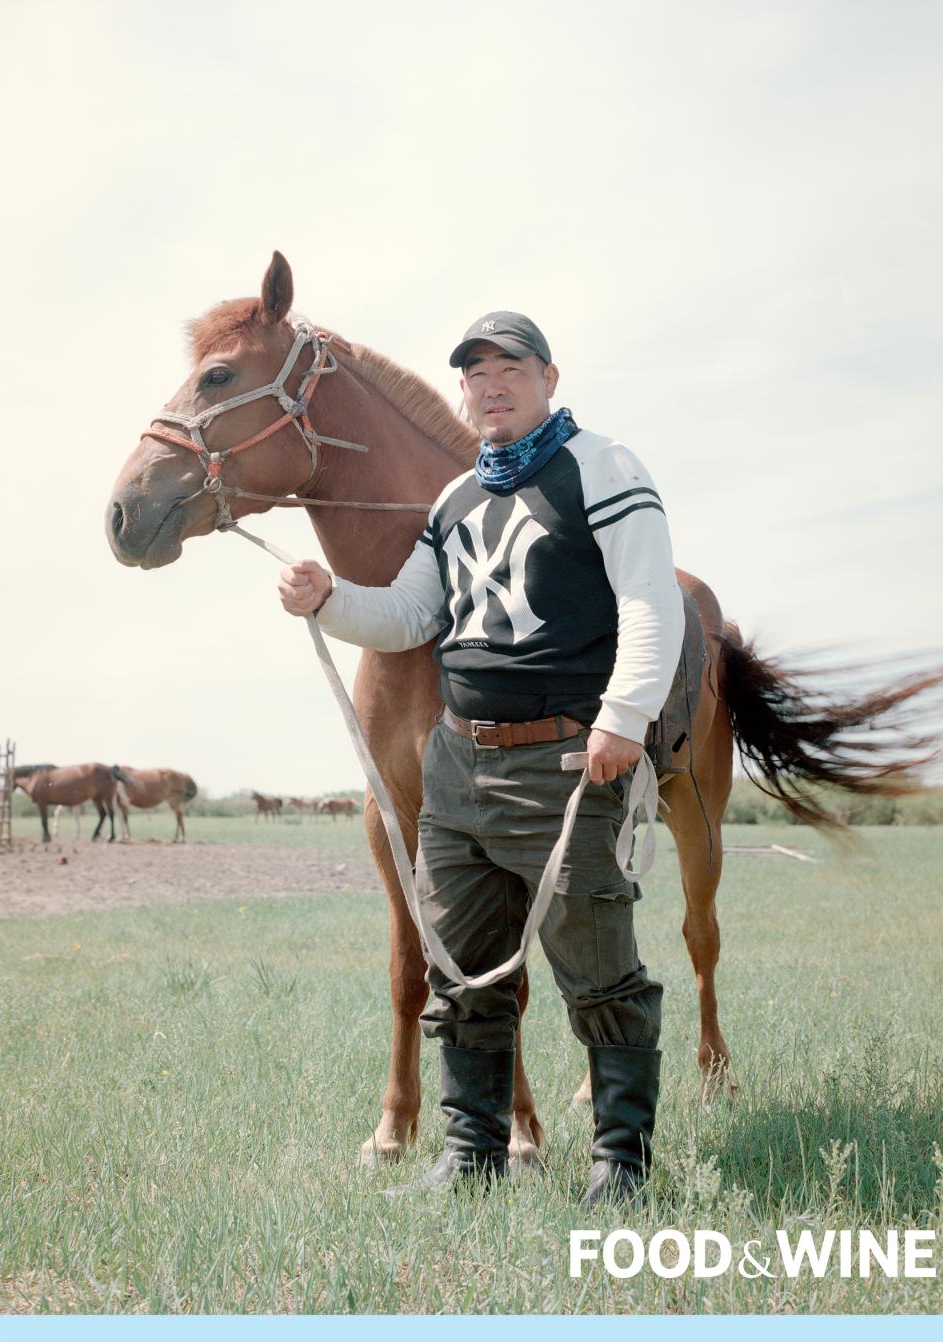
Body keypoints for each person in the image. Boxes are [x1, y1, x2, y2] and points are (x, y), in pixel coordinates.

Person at [278, 312, 685, 1205]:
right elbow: (409, 619)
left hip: (563, 760)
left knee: (596, 965)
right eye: (476, 373)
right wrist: (330, 598)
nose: (491, 384)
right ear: (462, 391)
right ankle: (472, 1156)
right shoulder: (456, 501)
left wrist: (622, 718)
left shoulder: (604, 469)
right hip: (460, 763)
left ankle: (622, 1165)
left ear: (548, 377)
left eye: (511, 367)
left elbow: (653, 603)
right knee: (457, 965)